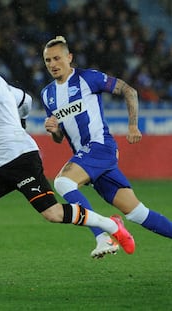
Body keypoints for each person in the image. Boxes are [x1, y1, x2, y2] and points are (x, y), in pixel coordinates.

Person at [0, 46, 135, 277]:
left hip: (23, 161)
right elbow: (26, 99)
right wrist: (22, 120)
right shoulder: (1, 87)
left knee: (53, 214)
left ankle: (113, 226)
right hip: (4, 166)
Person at [41, 36, 172, 259]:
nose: (52, 64)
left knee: (63, 181)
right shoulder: (47, 95)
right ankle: (114, 229)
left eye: (56, 58)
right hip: (88, 157)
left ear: (69, 57)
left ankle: (103, 236)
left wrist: (133, 125)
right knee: (137, 213)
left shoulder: (88, 78)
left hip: (100, 147)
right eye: (47, 61)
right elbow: (59, 137)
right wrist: (54, 131)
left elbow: (129, 91)